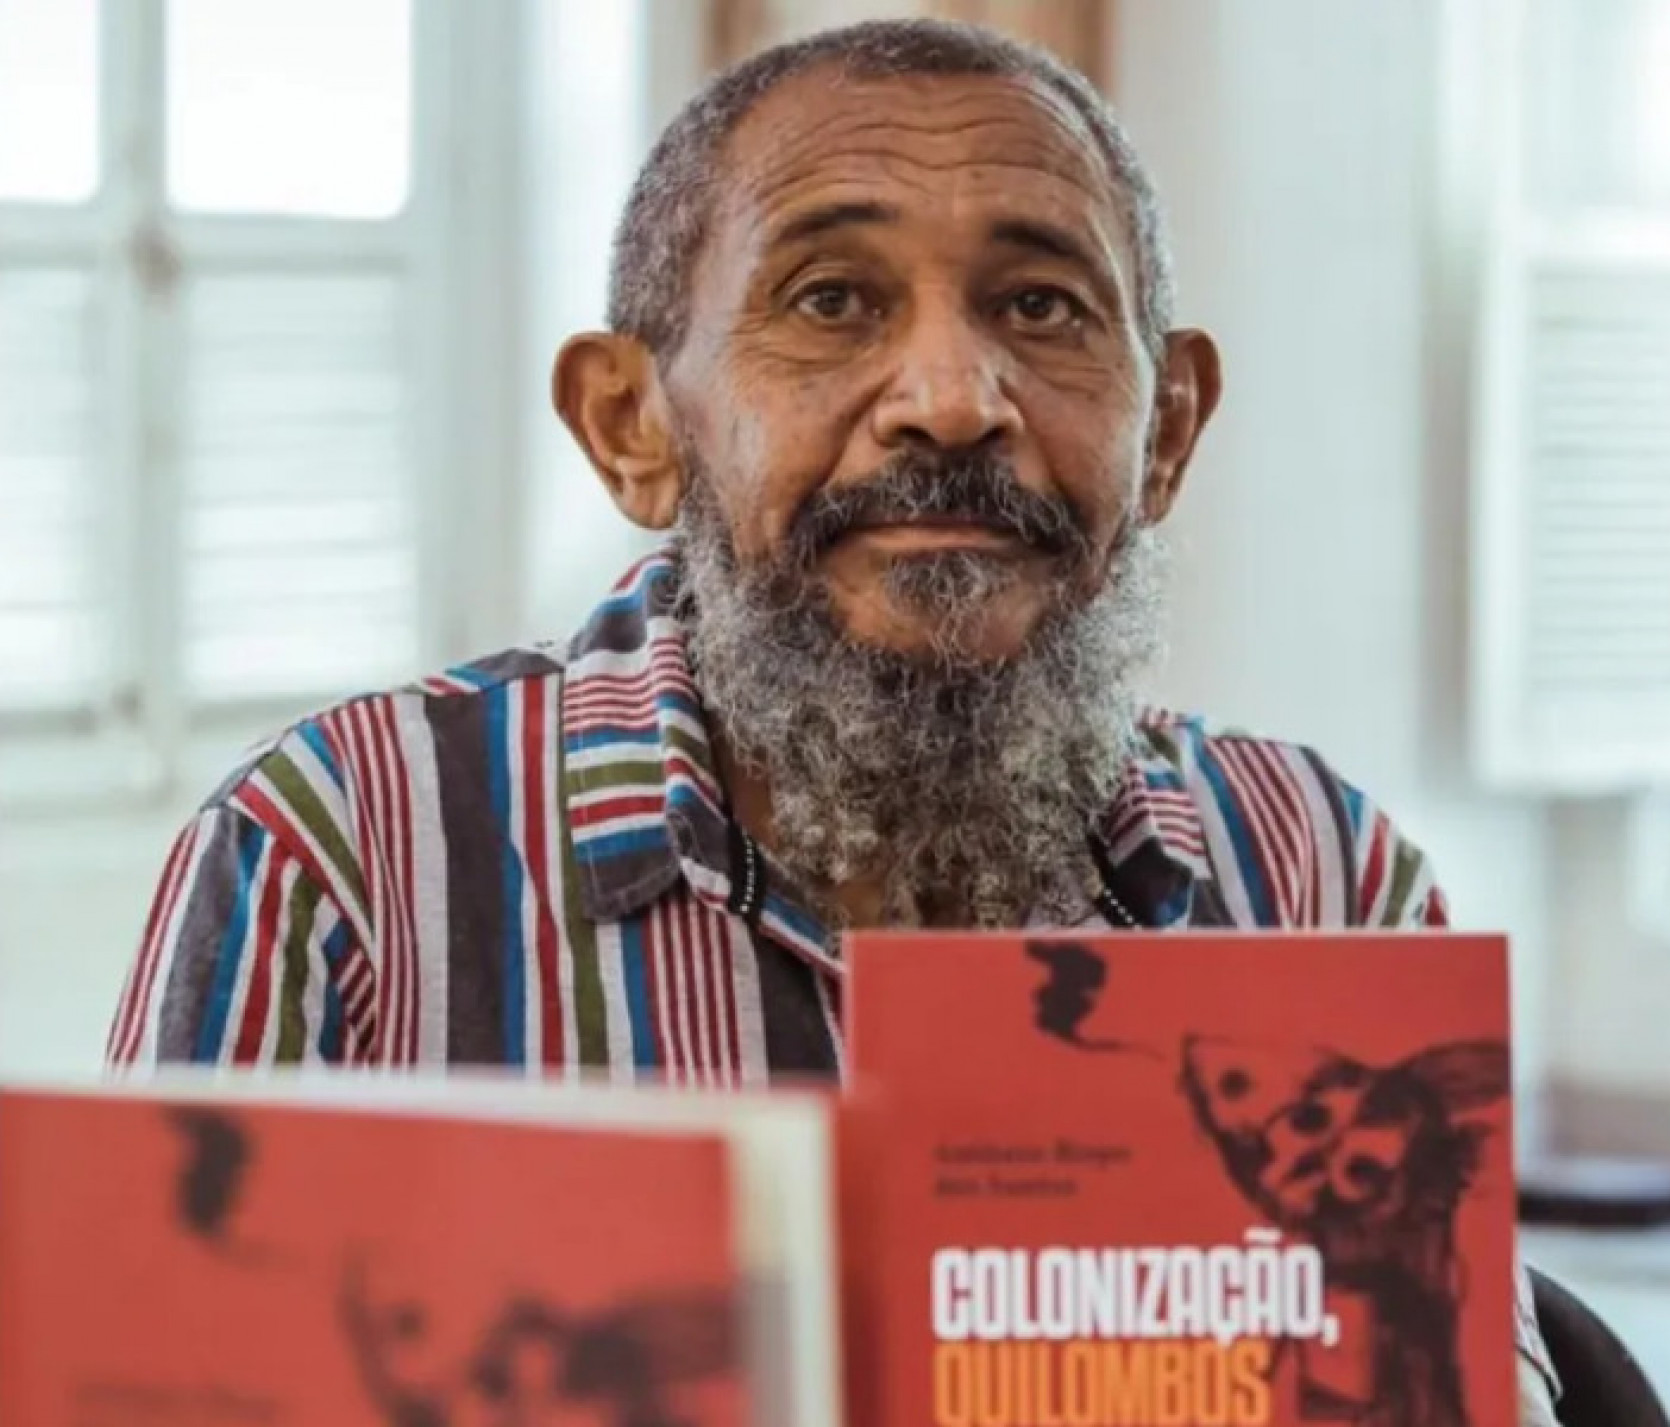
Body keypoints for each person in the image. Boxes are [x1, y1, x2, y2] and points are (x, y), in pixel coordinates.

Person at [106, 19, 1561, 1422]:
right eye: (829, 301)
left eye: (1040, 307)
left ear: (1166, 428)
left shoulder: (1317, 877)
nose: (951, 400)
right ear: (631, 424)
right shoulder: (342, 861)